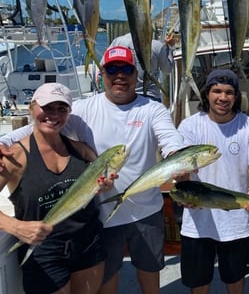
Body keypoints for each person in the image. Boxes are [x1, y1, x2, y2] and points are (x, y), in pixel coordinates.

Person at [0, 46, 185, 294]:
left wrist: (177, 158)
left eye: (126, 69)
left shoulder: (153, 109)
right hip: (102, 213)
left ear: (135, 74)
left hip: (146, 209)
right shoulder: (84, 108)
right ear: (102, 74)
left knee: (150, 272)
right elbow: (44, 122)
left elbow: (169, 140)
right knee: (108, 277)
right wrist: (4, 142)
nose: (119, 75)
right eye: (112, 69)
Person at [0, 83, 116, 294]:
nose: (54, 115)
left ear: (68, 114)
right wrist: (16, 227)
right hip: (43, 252)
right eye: (47, 107)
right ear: (32, 108)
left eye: (61, 109)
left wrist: (107, 185)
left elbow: (104, 177)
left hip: (87, 244)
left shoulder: (81, 151)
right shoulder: (14, 157)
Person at [176, 68, 249, 294]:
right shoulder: (189, 125)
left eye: (228, 92)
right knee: (199, 282)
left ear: (236, 97)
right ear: (207, 94)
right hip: (197, 220)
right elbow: (184, 168)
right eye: (216, 91)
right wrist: (182, 186)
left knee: (235, 280)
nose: (222, 97)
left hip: (235, 218)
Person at [104, 32, 176, 101]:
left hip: (123, 98)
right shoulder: (157, 46)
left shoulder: (117, 42)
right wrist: (170, 47)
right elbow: (167, 69)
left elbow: (102, 66)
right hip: (150, 97)